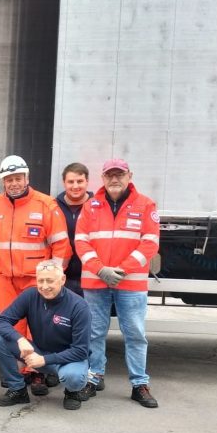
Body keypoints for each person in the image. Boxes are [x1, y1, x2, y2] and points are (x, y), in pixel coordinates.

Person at [76, 158, 160, 408]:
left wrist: (122, 270)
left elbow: (150, 243)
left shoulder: (145, 205)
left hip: (130, 283)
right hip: (95, 281)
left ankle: (139, 384)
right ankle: (94, 377)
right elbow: (81, 241)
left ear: (129, 175)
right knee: (94, 333)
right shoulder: (90, 206)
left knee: (134, 334)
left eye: (119, 174)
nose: (115, 179)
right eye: (109, 175)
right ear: (102, 178)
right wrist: (100, 269)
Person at [0, 154, 71, 397]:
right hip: (5, 279)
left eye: (18, 178)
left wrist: (53, 281)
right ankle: (17, 372)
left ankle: (37, 372)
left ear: (27, 178)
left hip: (36, 281)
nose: (14, 183)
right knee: (10, 326)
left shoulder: (46, 205)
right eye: (9, 179)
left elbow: (61, 246)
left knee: (37, 329)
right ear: (3, 181)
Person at [0, 260, 91, 410]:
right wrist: (20, 339)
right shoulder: (30, 295)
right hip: (38, 353)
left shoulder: (79, 306)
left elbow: (81, 351)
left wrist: (44, 360)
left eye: (50, 281)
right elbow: (0, 322)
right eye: (40, 281)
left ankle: (72, 392)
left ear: (62, 280)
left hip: (67, 359)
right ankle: (17, 389)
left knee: (73, 376)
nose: (44, 286)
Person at [55, 162, 92, 297]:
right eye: (71, 182)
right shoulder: (53, 207)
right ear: (64, 183)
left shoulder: (98, 206)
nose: (75, 186)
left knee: (91, 317)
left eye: (80, 181)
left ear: (87, 182)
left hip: (92, 277)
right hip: (62, 277)